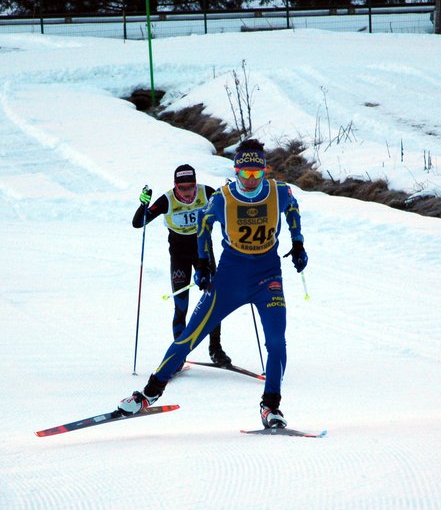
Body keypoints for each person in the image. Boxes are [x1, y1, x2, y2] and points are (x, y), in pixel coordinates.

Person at [119, 139, 308, 428]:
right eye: (245, 174)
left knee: (277, 343)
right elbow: (203, 226)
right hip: (230, 280)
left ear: (265, 171)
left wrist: (298, 244)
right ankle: (149, 393)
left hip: (268, 278)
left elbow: (293, 210)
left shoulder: (278, 193)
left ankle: (271, 407)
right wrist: (204, 264)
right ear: (236, 171)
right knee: (188, 338)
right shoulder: (222, 198)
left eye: (257, 174)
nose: (250, 180)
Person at [133, 164, 231, 367]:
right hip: (179, 256)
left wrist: (230, 193)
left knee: (214, 301)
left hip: (204, 253)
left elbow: (230, 211)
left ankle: (216, 349)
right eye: (182, 188)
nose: (187, 193)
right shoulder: (166, 200)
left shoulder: (207, 193)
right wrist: (144, 204)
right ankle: (178, 356)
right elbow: (138, 223)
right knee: (181, 305)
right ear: (175, 186)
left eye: (191, 187)